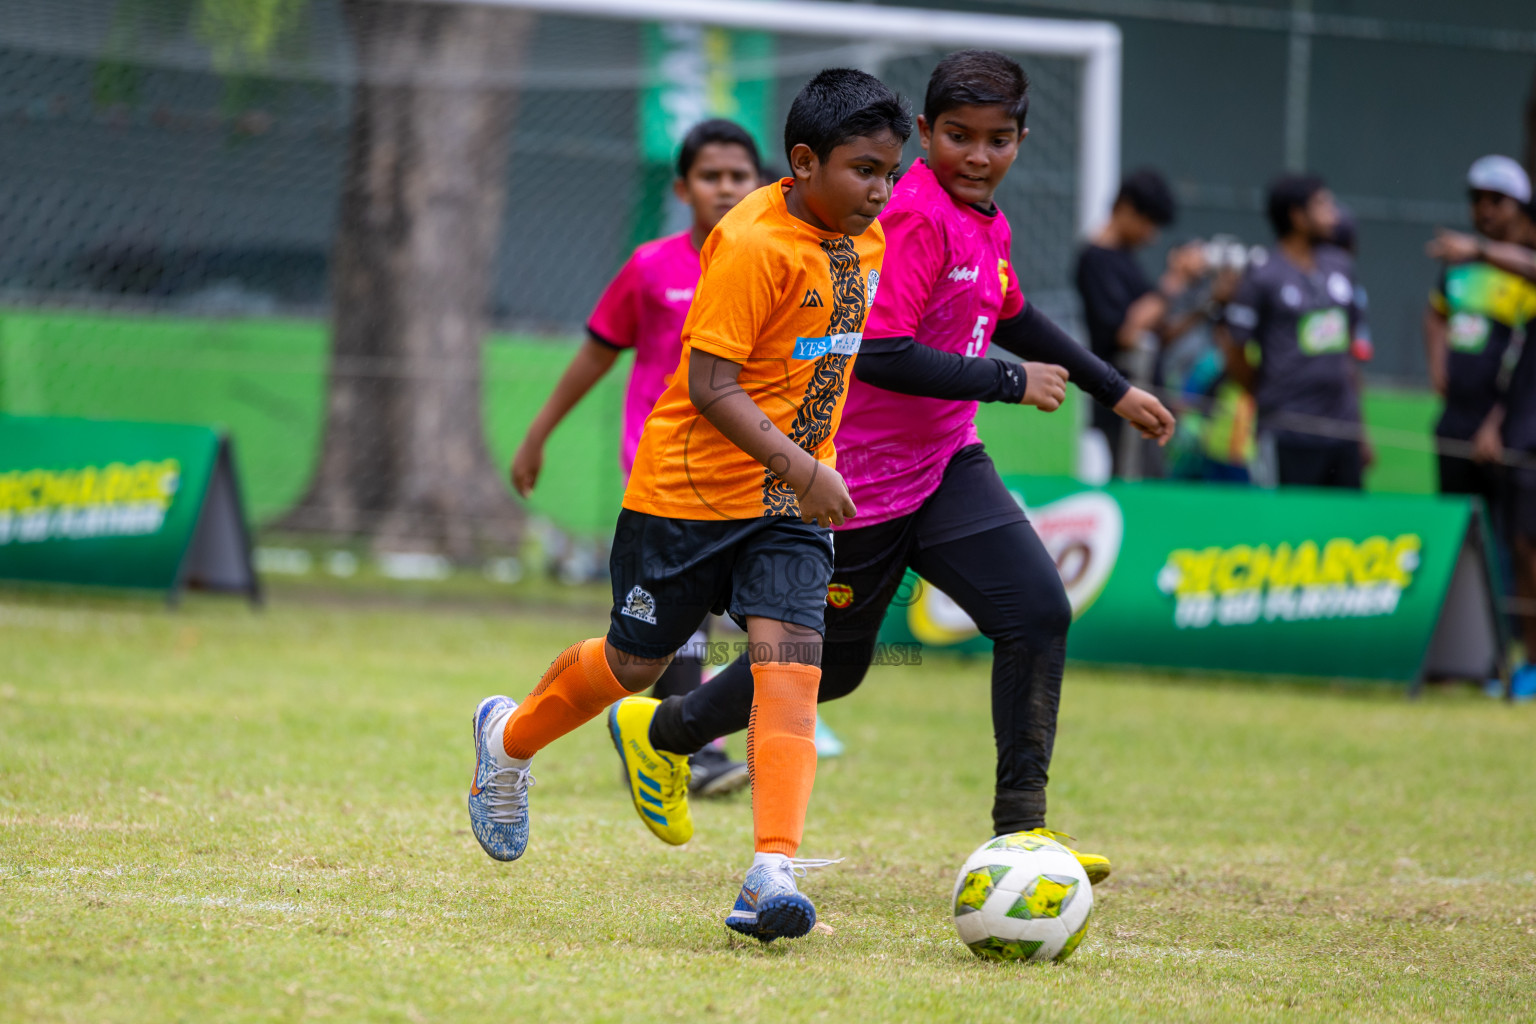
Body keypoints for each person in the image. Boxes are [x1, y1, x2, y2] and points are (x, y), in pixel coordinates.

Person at [607, 50, 1175, 882]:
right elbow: (880, 351)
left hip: (947, 465)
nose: (977, 156)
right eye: (958, 136)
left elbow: (1012, 312)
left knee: (1037, 611)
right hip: (857, 488)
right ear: (925, 133)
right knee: (829, 669)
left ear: (1021, 140)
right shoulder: (907, 216)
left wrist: (1114, 388)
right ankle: (665, 730)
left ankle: (1021, 833)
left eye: (998, 139)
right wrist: (1007, 381)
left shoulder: (984, 219)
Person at [467, 68, 911, 941]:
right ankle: (506, 742)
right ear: (804, 162)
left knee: (792, 667)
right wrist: (805, 465)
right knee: (633, 667)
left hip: (785, 505)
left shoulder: (869, 240)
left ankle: (771, 871)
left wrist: (806, 472)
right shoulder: (751, 242)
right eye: (864, 170)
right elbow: (709, 385)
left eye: (889, 173)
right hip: (686, 494)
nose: (880, 191)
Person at [509, 120, 761, 796]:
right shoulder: (652, 267)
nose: (726, 188)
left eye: (739, 176)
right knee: (689, 613)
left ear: (761, 184)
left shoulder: (770, 263)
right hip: (663, 463)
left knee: (728, 612)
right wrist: (538, 433)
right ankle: (682, 749)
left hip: (746, 465)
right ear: (682, 189)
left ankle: (670, 738)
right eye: (710, 176)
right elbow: (596, 352)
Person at [1218, 173, 1369, 489]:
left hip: (1342, 430)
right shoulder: (1263, 275)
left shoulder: (1341, 265)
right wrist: (1267, 394)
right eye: (1322, 204)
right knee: (1288, 520)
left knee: (1344, 520)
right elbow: (1235, 350)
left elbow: (1348, 354)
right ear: (1298, 216)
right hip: (1287, 431)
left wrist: (1360, 428)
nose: (1333, 213)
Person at [1074, 168, 1220, 478]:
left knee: (1150, 478)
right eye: (1148, 223)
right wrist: (1176, 279)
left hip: (1144, 395)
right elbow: (1128, 333)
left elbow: (1158, 336)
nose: (1151, 236)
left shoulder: (1126, 259)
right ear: (1126, 209)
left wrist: (1207, 305)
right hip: (1121, 398)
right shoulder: (1095, 260)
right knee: (1135, 481)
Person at [1423, 156, 1536, 553]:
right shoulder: (1460, 265)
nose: (1485, 210)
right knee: (1456, 537)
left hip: (1509, 430)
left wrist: (1496, 422)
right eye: (1477, 200)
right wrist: (1437, 366)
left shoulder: (1523, 269)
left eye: (1496, 201)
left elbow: (1526, 362)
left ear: (1520, 207)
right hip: (1457, 420)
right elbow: (1435, 314)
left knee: (1511, 542)